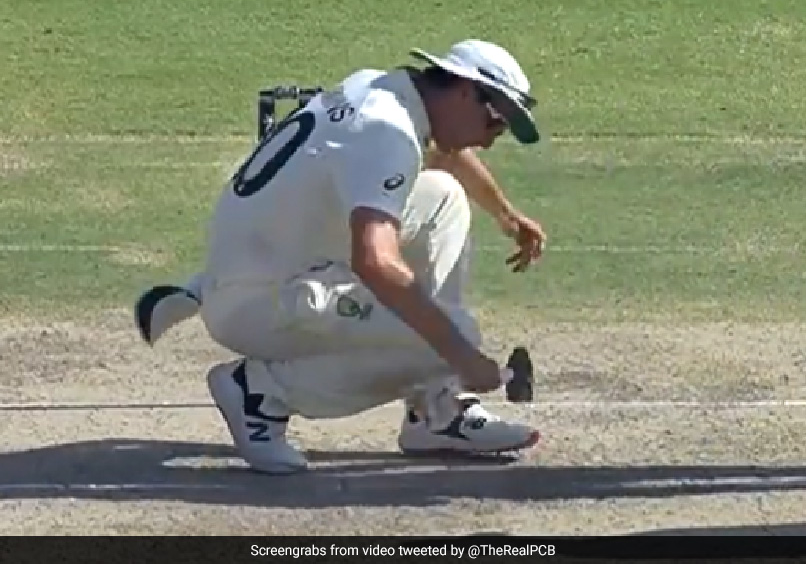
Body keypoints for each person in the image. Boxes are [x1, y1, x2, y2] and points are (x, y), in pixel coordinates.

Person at [135, 39, 548, 474]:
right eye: (495, 123)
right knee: (452, 336)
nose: (491, 140)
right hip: (262, 301)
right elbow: (376, 262)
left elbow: (446, 152)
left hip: (257, 264)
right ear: (465, 91)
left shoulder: (381, 90)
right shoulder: (387, 136)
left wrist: (506, 215)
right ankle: (259, 392)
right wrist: (463, 356)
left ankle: (437, 410)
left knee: (443, 197)